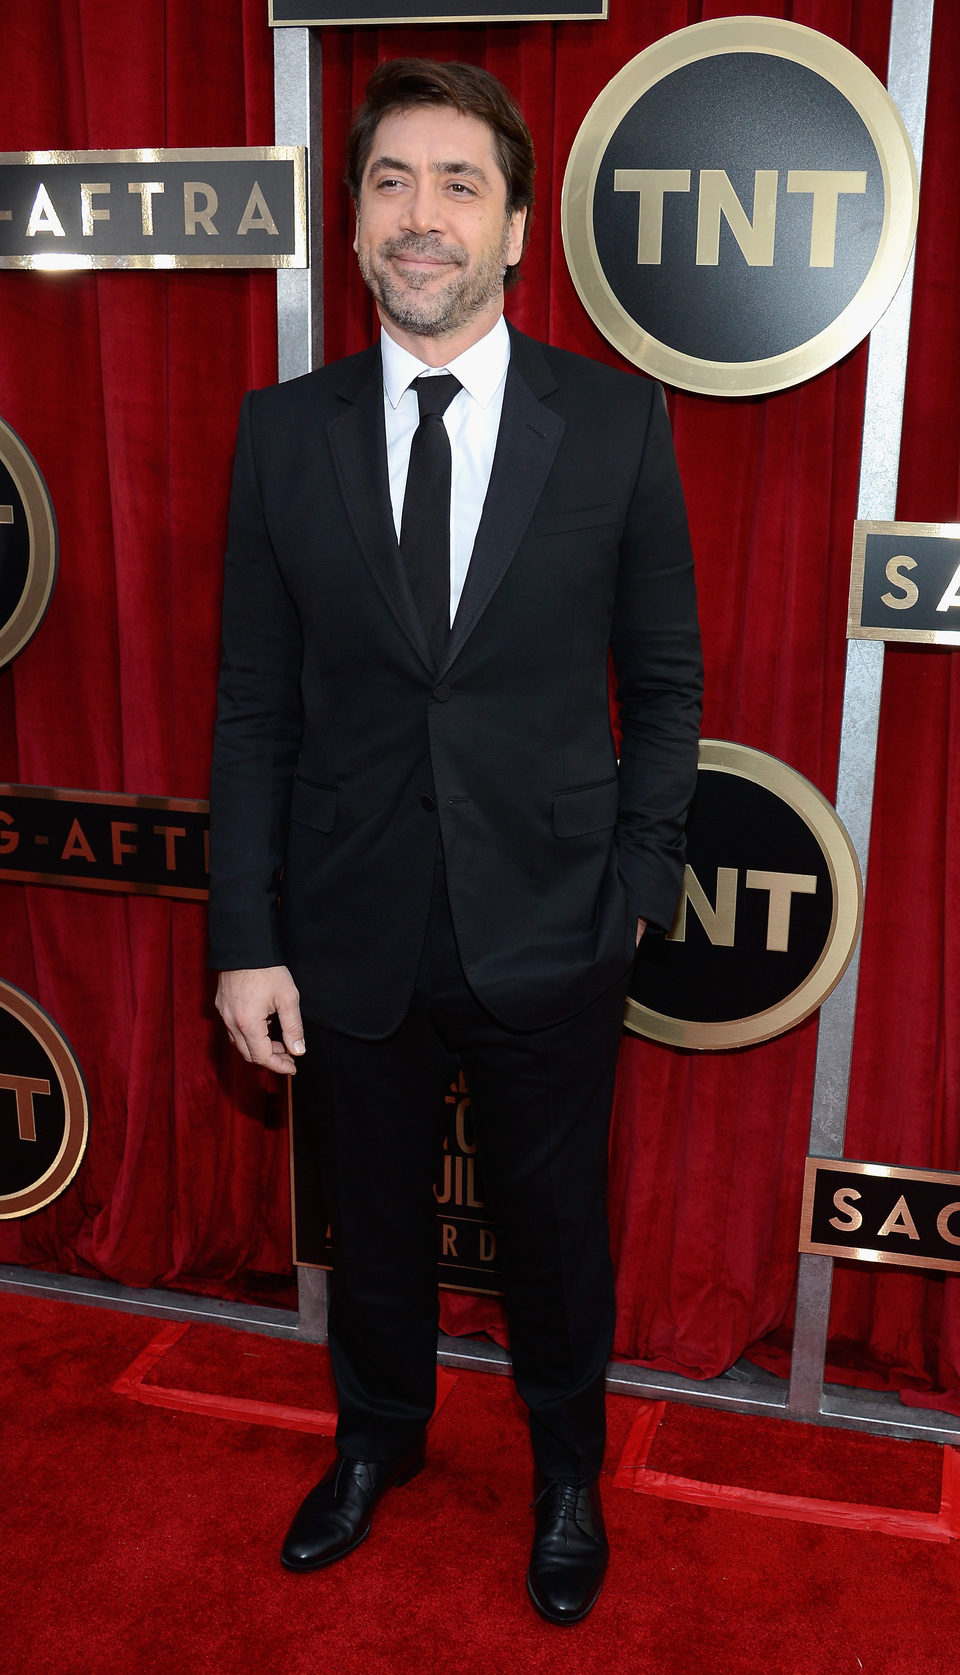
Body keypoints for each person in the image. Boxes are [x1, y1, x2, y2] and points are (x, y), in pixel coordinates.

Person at [210, 57, 702, 1625]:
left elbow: (670, 681)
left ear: (515, 230)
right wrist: (244, 935)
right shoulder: (281, 436)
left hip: (553, 915)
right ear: (352, 225)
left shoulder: (615, 425)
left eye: (458, 184)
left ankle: (569, 1471)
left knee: (556, 1229)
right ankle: (377, 1443)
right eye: (390, 183)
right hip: (353, 913)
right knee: (376, 1215)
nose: (421, 217)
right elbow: (251, 709)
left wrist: (633, 889)